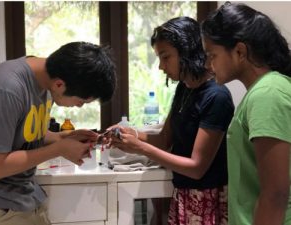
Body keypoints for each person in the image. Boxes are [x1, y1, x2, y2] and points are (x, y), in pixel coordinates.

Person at [110, 17, 234, 225]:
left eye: (165, 57)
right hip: (182, 193)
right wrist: (131, 133)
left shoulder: (217, 97)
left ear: (186, 52)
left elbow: (196, 167)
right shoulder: (184, 88)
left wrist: (140, 147)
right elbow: (166, 139)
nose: (160, 66)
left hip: (205, 199)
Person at [0, 41, 116, 225]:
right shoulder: (7, 88)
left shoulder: (45, 81)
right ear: (60, 84)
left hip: (24, 199)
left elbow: (24, 134)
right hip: (0, 207)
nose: (79, 106)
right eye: (81, 101)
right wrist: (59, 149)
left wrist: (62, 137)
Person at [201, 2, 291, 225]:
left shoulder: (267, 94)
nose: (208, 64)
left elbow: (275, 194)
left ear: (240, 51)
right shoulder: (260, 92)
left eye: (212, 55)